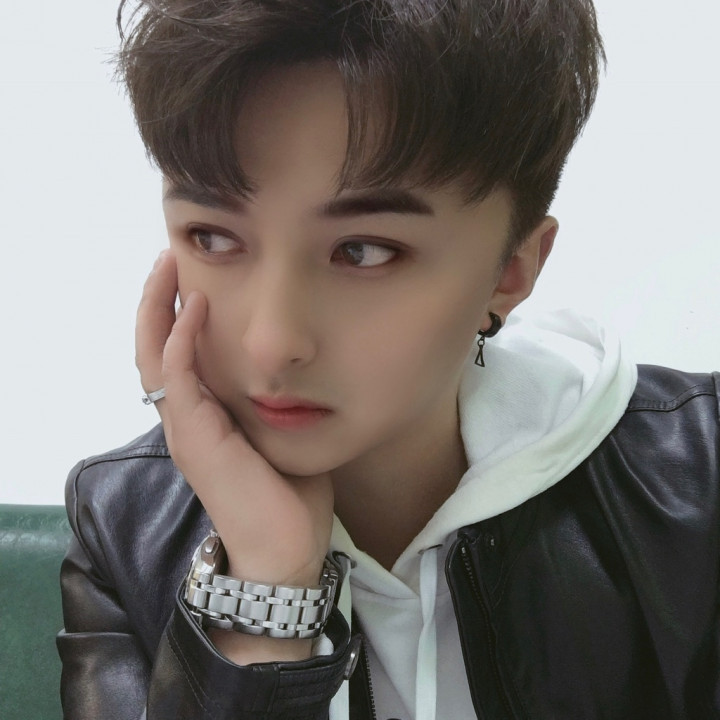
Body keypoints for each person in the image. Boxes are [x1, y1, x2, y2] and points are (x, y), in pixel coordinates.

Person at [56, 0, 719, 718]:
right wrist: (263, 590)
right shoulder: (123, 528)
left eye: (363, 251)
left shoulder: (698, 480)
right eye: (212, 238)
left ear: (511, 268)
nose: (270, 342)